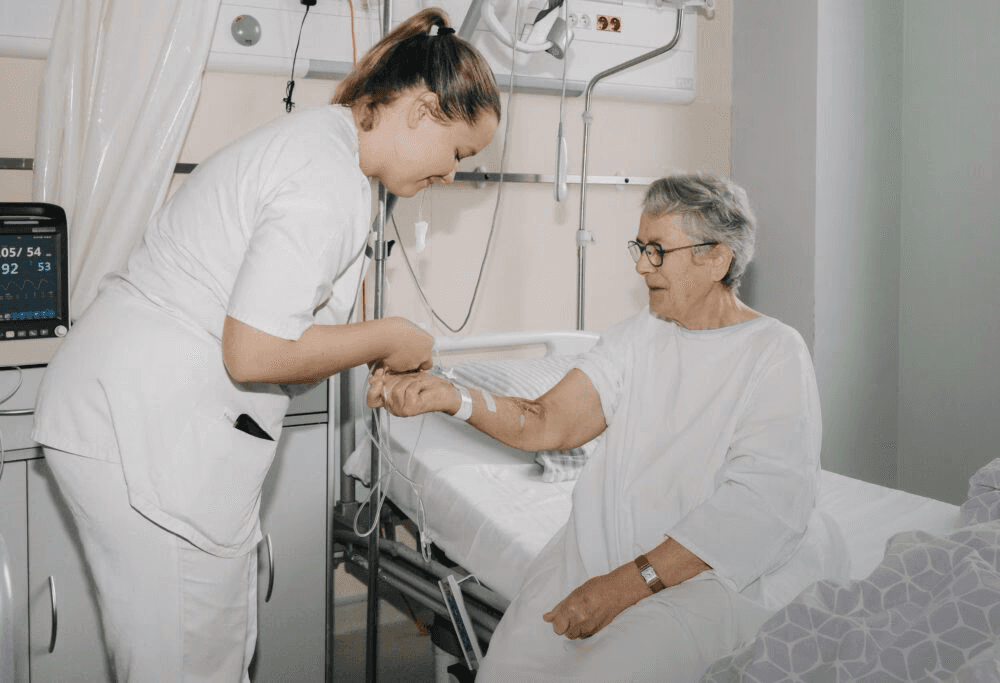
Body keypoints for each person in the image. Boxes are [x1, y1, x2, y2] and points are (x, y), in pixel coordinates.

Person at [30, 8, 500, 682]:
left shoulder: (332, 157)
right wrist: (392, 334)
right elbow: (252, 351)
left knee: (209, 648)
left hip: (131, 416)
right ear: (423, 110)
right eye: (459, 152)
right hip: (146, 429)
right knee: (188, 662)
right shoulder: (328, 179)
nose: (453, 175)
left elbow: (294, 327)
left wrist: (368, 347)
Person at [368, 173, 850, 682]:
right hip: (598, 554)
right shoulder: (637, 339)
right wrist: (452, 396)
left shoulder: (773, 352)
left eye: (658, 250)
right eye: (640, 247)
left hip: (705, 577)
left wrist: (622, 587)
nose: (641, 265)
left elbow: (758, 507)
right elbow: (545, 423)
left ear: (716, 258)